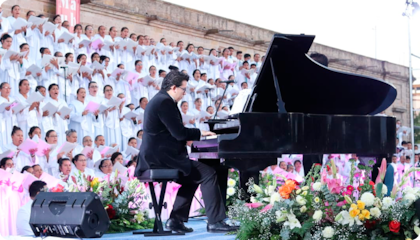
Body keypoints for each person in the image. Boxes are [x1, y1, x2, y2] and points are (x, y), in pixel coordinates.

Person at [134, 68, 237, 233]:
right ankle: (215, 221)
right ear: (173, 87)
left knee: (192, 177)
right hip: (160, 158)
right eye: (183, 89)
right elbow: (179, 133)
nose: (184, 93)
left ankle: (175, 220)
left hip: (157, 156)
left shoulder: (160, 100)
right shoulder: (164, 102)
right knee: (208, 173)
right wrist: (201, 133)